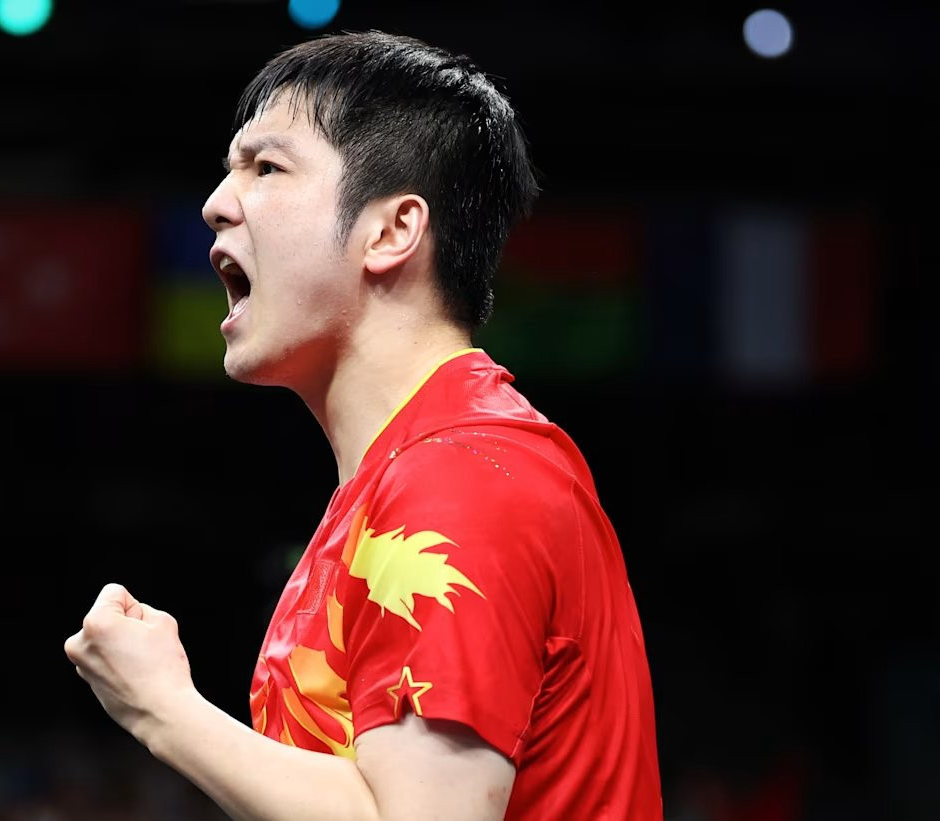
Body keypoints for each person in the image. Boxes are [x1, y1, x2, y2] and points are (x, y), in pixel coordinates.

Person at [65, 30, 662, 820]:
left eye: (266, 168)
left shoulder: (462, 475)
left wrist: (164, 709)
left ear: (391, 231)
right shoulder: (399, 480)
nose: (217, 202)